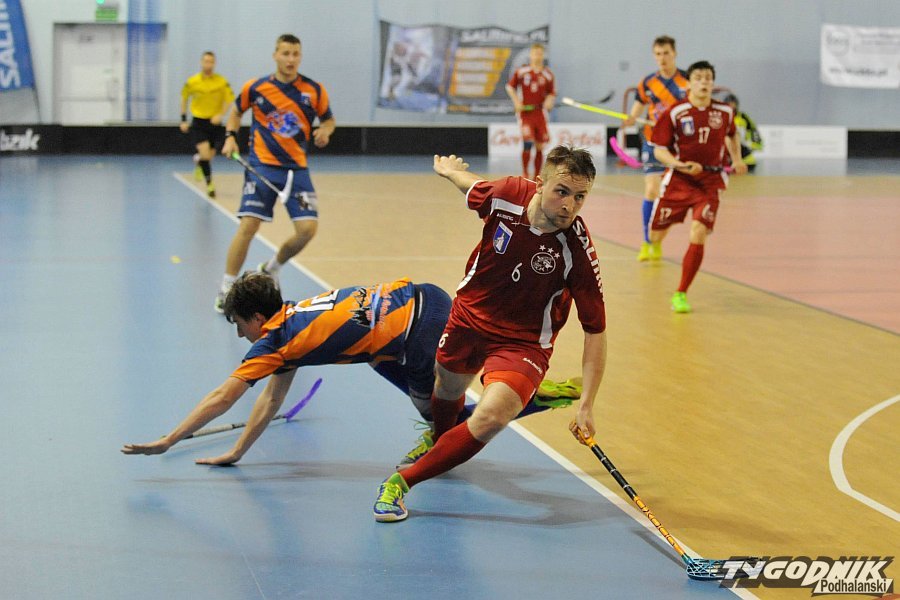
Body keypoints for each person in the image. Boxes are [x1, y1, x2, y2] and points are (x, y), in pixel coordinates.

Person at [373, 146, 608, 523]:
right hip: (469, 318)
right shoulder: (507, 195)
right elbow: (473, 186)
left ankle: (400, 483)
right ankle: (440, 439)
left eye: (580, 197)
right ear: (540, 184)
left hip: (523, 343)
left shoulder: (577, 250)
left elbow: (595, 331)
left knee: (492, 417)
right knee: (446, 390)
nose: (569, 205)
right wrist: (451, 172)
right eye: (561, 191)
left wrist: (587, 405)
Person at [121, 273, 560, 465]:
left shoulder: (276, 342)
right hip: (427, 299)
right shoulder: (294, 316)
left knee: (444, 425)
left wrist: (169, 440)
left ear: (256, 318)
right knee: (380, 363)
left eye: (239, 325)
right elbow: (272, 398)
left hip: (417, 333)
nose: (239, 335)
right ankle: (508, 390)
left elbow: (223, 397)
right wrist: (238, 451)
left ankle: (534, 398)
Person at [216, 33, 336, 314]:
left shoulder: (314, 90)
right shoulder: (256, 88)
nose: (291, 59)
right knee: (249, 225)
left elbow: (329, 120)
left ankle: (272, 268)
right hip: (262, 166)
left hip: (297, 169)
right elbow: (235, 112)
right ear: (275, 55)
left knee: (307, 231)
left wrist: (325, 131)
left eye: (295, 54)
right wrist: (230, 137)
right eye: (285, 53)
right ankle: (226, 287)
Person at [648, 61, 747, 314]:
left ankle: (681, 292)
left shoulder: (725, 112)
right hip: (680, 181)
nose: (704, 82)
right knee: (656, 234)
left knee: (699, 231)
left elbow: (732, 134)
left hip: (710, 183)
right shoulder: (675, 111)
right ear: (689, 83)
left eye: (708, 78)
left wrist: (736, 159)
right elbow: (659, 151)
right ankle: (654, 243)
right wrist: (680, 165)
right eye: (699, 78)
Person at [623, 35, 689, 262]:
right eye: (658, 54)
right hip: (652, 142)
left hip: (678, 146)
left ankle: (658, 239)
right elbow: (639, 106)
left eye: (666, 53)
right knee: (651, 189)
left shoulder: (687, 81)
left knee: (669, 196)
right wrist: (632, 118)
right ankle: (647, 242)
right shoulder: (648, 82)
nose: (662, 58)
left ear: (675, 54)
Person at [179, 51, 235, 198]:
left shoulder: (221, 82)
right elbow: (184, 98)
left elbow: (230, 100)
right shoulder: (193, 81)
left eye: (211, 62)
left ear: (214, 63)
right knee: (205, 153)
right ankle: (210, 185)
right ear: (201, 62)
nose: (208, 64)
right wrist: (183, 119)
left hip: (214, 124)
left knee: (209, 156)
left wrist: (220, 114)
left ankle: (199, 162)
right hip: (199, 122)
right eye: (206, 61)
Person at [505, 43, 557, 179]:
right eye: (535, 53)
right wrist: (517, 102)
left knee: (540, 146)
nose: (537, 56)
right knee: (528, 142)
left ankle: (536, 176)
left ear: (543, 56)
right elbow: (510, 87)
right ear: (531, 55)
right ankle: (525, 173)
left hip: (540, 113)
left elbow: (552, 92)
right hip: (525, 114)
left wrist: (549, 101)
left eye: (540, 54)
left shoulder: (548, 74)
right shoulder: (522, 72)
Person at [722, 93, 763, 173]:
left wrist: (756, 144)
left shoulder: (743, 117)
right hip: (725, 149)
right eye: (729, 104)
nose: (732, 106)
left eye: (733, 104)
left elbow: (753, 130)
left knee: (750, 165)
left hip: (742, 147)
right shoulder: (721, 117)